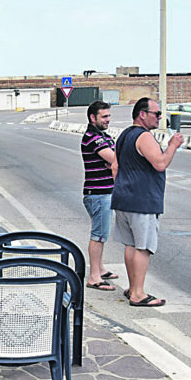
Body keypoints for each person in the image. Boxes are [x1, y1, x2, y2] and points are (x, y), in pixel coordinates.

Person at [110, 97, 184, 308]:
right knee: (143, 248)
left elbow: (114, 167)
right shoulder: (144, 137)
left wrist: (123, 186)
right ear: (142, 114)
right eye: (156, 114)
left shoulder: (124, 135)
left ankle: (132, 288)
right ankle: (138, 293)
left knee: (131, 245)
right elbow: (160, 163)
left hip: (123, 198)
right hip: (142, 201)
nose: (160, 118)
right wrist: (173, 146)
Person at [81, 101, 119, 291]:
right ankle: (94, 276)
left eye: (109, 116)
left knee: (102, 233)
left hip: (104, 192)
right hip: (97, 194)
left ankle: (100, 268)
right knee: (98, 235)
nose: (108, 120)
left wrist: (113, 162)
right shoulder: (92, 138)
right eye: (104, 117)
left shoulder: (104, 136)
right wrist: (113, 162)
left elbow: (114, 160)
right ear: (92, 118)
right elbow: (114, 159)